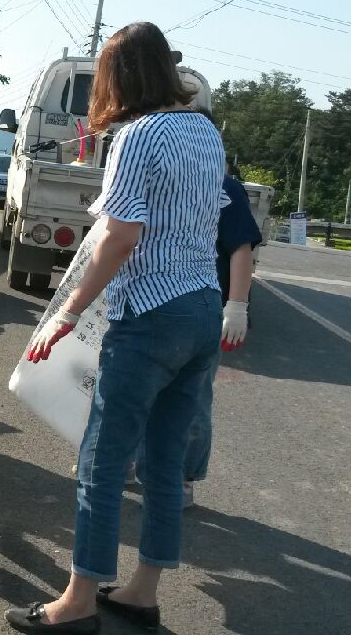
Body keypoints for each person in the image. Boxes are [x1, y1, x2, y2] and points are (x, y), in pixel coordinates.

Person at [4, 22, 225, 635]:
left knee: (102, 463)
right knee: (163, 464)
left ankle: (77, 601)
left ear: (117, 78)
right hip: (203, 307)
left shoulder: (136, 135)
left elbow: (118, 235)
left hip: (150, 315)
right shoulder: (205, 132)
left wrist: (69, 311)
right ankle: (140, 593)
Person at [127, 161, 263, 508]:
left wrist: (237, 305)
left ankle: (181, 478)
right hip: (147, 302)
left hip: (201, 309)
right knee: (137, 391)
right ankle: (133, 461)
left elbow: (241, 248)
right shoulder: (155, 180)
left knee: (191, 397)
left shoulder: (224, 188)